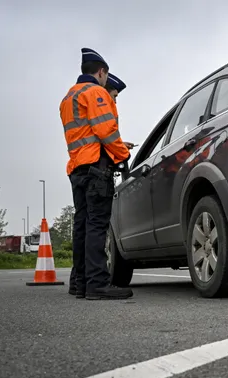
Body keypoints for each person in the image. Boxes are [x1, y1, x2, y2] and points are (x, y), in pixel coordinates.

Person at [60, 47, 134, 300]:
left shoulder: (68, 97)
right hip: (96, 170)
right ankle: (97, 284)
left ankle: (79, 283)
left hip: (77, 168)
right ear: (101, 72)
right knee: (97, 226)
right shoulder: (95, 93)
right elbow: (106, 131)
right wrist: (122, 155)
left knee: (81, 225)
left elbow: (87, 135)